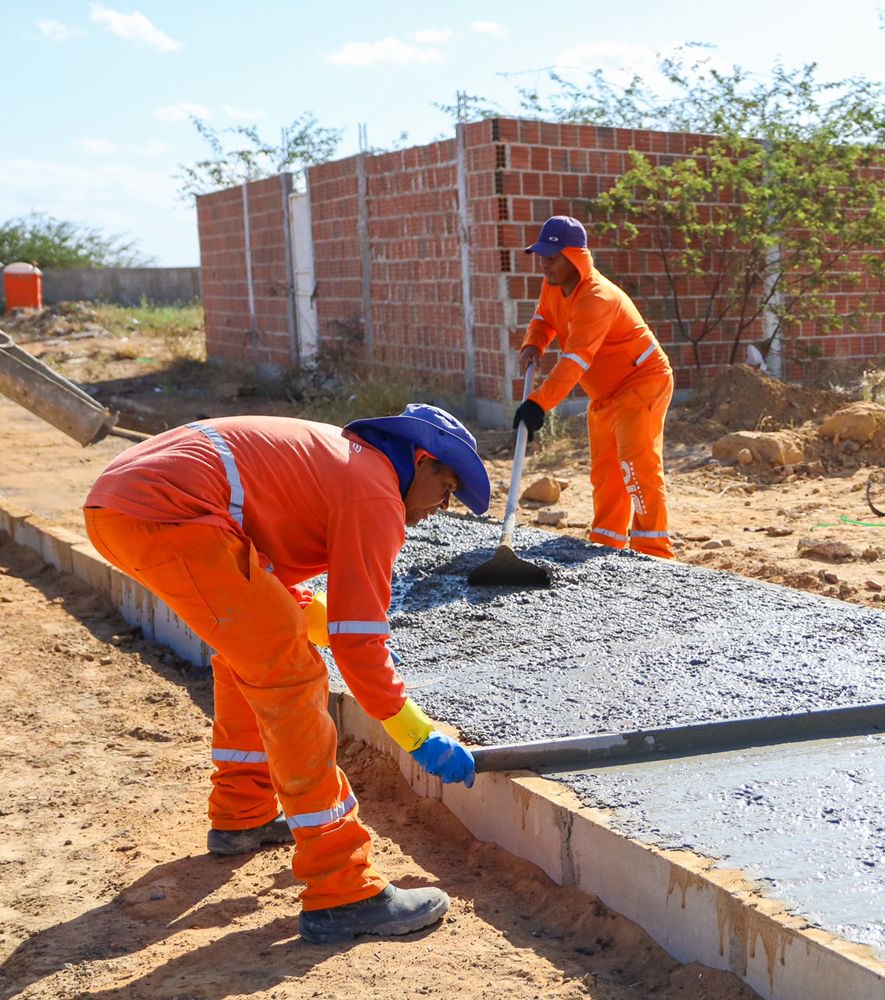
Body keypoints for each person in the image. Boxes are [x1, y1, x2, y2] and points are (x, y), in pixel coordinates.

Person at [83, 404, 488, 944]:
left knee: (257, 649)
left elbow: (268, 570)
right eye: (448, 485)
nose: (444, 505)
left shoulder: (345, 464)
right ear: (422, 459)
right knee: (294, 675)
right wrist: (416, 732)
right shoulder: (374, 492)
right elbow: (358, 642)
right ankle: (344, 888)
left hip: (133, 504)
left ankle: (243, 811)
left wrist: (311, 618)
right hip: (168, 513)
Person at [512, 215, 675, 559]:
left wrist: (539, 404)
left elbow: (575, 360)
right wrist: (533, 344)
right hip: (605, 394)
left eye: (552, 257)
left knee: (636, 466)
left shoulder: (597, 297)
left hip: (642, 381)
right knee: (606, 472)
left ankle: (654, 553)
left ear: (575, 258)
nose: (544, 264)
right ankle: (606, 545)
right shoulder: (553, 284)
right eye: (541, 256)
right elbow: (544, 318)